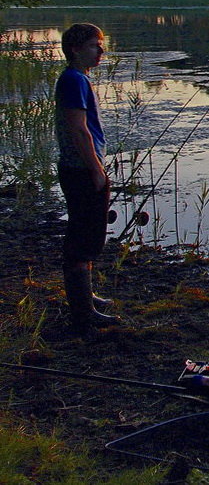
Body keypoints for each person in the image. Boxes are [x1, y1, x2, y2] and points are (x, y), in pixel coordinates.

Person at [55, 23, 120, 334]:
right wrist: (96, 169)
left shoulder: (79, 79)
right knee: (83, 237)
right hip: (81, 170)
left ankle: (87, 298)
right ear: (76, 49)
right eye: (95, 45)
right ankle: (83, 312)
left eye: (101, 45)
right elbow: (78, 130)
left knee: (90, 233)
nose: (101, 51)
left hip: (81, 167)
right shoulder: (72, 80)